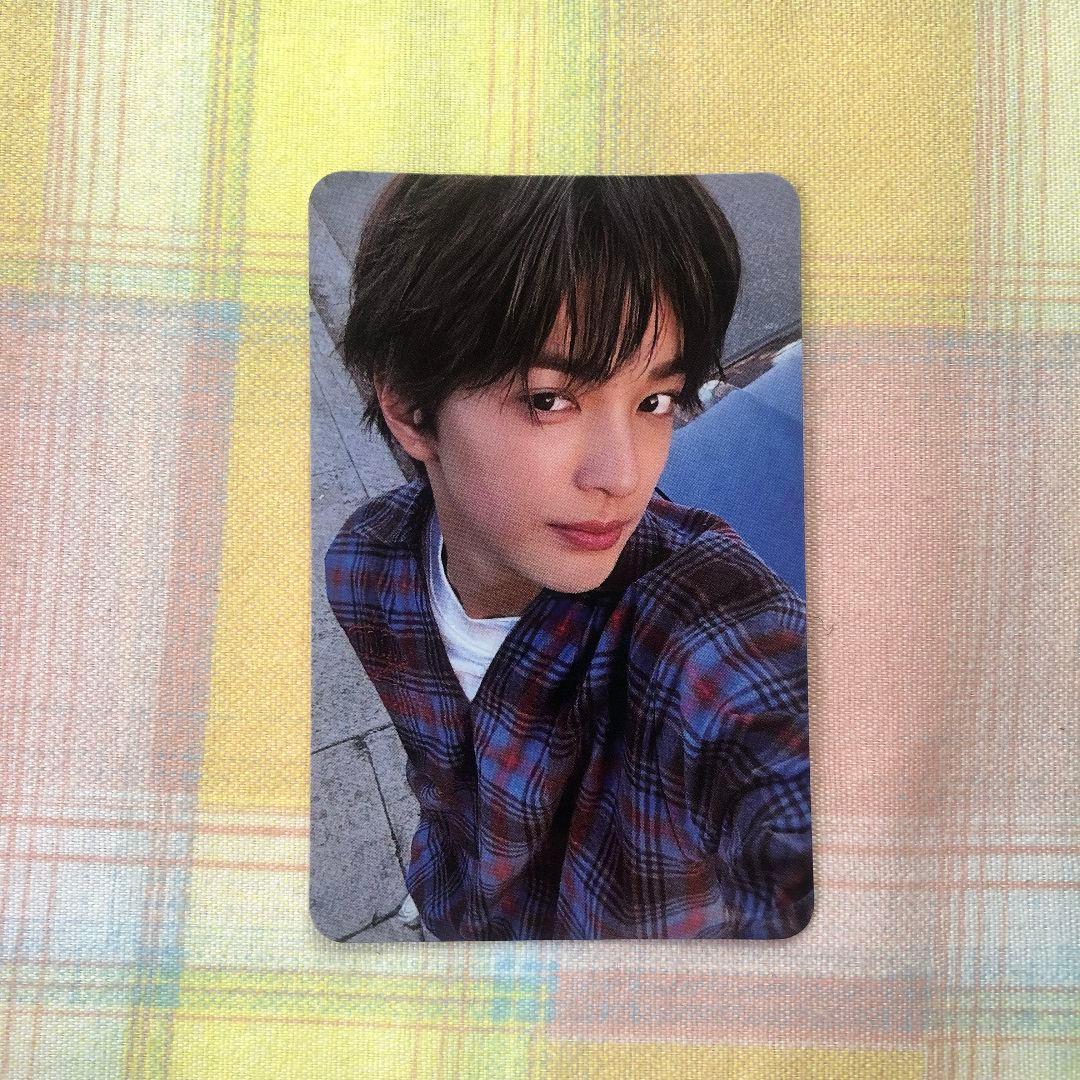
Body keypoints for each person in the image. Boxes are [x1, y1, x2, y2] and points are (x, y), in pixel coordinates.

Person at [324, 174, 812, 940]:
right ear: (410, 410)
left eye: (654, 401)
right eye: (551, 399)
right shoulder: (366, 568)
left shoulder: (700, 635)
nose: (623, 475)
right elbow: (440, 782)